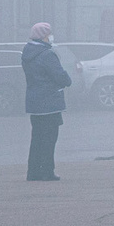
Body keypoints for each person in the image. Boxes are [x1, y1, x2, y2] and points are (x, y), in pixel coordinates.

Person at [21, 22, 69, 182]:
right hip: (49, 102)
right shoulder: (47, 54)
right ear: (44, 36)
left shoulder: (27, 53)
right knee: (49, 139)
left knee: (37, 139)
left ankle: (33, 172)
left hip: (34, 103)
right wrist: (67, 79)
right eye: (49, 34)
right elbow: (60, 76)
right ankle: (47, 171)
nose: (51, 37)